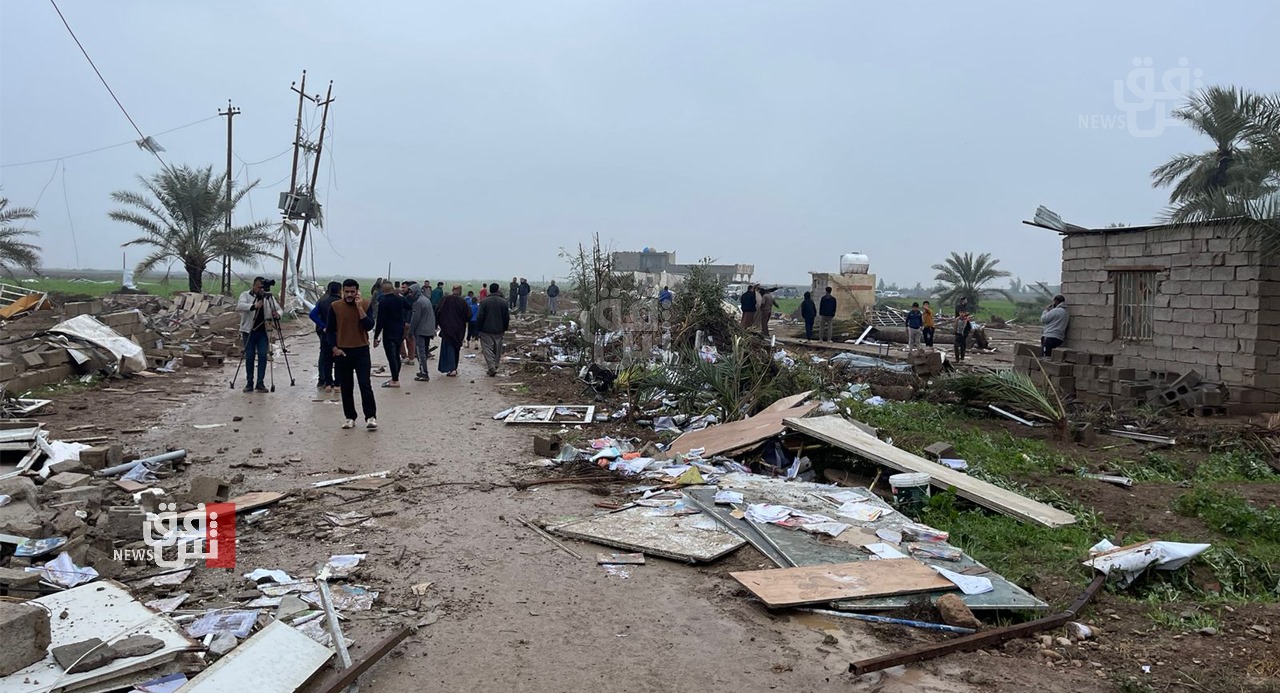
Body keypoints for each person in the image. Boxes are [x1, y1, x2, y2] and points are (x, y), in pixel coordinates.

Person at [327, 279, 377, 429]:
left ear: (357, 292)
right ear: (342, 291)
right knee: (347, 386)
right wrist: (334, 348)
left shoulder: (366, 305)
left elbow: (369, 326)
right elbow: (329, 330)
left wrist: (360, 308)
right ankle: (350, 417)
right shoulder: (335, 307)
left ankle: (371, 417)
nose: (349, 294)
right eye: (346, 292)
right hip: (343, 351)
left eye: (352, 292)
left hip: (361, 350)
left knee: (365, 384)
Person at [236, 276, 279, 393]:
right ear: (254, 286)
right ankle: (249, 383)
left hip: (263, 332)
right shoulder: (245, 295)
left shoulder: (268, 297)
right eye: (259, 287)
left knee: (262, 356)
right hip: (248, 331)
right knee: (249, 356)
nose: (261, 289)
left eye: (262, 287)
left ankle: (260, 383)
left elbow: (279, 309)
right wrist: (254, 306)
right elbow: (239, 306)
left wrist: (277, 314)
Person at [372, 280, 410, 388]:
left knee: (391, 356)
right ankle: (395, 377)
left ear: (383, 290)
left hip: (388, 332)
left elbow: (380, 320)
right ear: (392, 289)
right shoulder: (400, 299)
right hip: (399, 331)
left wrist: (376, 336)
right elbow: (409, 306)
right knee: (397, 355)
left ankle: (395, 380)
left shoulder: (383, 302)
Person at [308, 281, 342, 392]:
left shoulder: (322, 301)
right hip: (339, 333)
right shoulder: (341, 303)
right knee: (339, 357)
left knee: (325, 356)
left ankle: (325, 382)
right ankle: (337, 383)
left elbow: (312, 315)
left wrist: (323, 325)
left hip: (324, 332)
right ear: (340, 290)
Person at [477, 282, 511, 377]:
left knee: (487, 349)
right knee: (497, 349)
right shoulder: (503, 302)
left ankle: (491, 367)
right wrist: (504, 328)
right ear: (497, 290)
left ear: (490, 290)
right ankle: (495, 365)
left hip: (486, 329)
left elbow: (480, 317)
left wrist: (478, 329)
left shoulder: (484, 302)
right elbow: (506, 317)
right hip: (499, 329)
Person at [436, 285, 470, 377]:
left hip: (447, 328)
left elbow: (438, 312)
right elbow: (468, 316)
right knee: (455, 348)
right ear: (460, 291)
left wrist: (438, 324)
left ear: (452, 290)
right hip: (459, 329)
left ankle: (451, 368)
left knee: (448, 348)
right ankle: (453, 367)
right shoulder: (463, 302)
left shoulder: (445, 300)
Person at [408, 282, 436, 382]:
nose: (410, 294)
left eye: (411, 292)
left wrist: (410, 332)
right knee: (424, 351)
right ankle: (422, 370)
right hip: (428, 330)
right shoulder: (426, 300)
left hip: (421, 331)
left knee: (421, 353)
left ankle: (424, 373)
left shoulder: (418, 303)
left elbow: (415, 319)